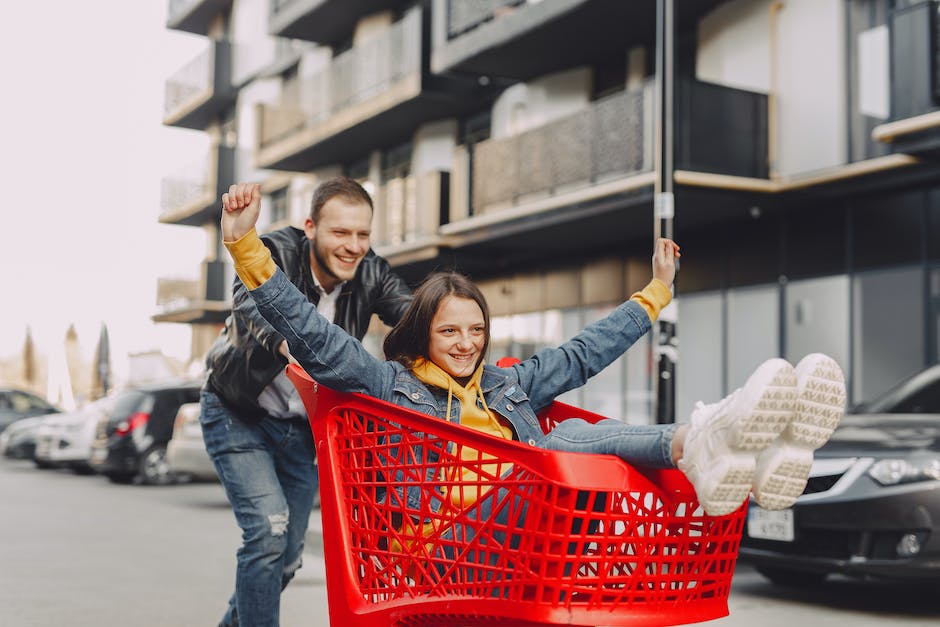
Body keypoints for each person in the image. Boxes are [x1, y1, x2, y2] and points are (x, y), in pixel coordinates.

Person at [219, 183, 846, 556]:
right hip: (444, 542)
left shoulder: (501, 384)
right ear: (422, 334)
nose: (466, 344)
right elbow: (308, 328)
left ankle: (716, 447)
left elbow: (579, 354)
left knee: (559, 436)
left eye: (475, 330)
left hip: (527, 538)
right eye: (449, 331)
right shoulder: (390, 384)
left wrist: (655, 293)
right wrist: (245, 244)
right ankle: (709, 438)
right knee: (548, 454)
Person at [201, 179, 413, 627]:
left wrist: (458, 334)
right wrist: (292, 345)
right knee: (267, 532)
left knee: (288, 557)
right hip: (238, 412)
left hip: (301, 430)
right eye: (340, 233)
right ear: (311, 227)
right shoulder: (277, 250)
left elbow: (416, 317)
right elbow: (250, 302)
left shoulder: (373, 272)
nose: (353, 246)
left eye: (362, 235)